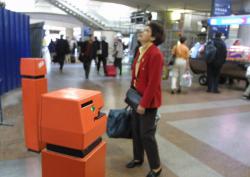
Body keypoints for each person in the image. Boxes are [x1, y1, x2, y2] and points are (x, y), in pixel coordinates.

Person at [127, 22, 165, 177]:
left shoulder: (155, 54)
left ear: (153, 37)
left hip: (147, 101)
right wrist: (132, 92)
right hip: (136, 97)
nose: (142, 32)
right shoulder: (140, 50)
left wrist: (143, 103)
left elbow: (153, 83)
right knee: (136, 131)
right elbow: (135, 74)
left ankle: (156, 167)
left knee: (146, 134)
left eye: (147, 30)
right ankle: (138, 158)